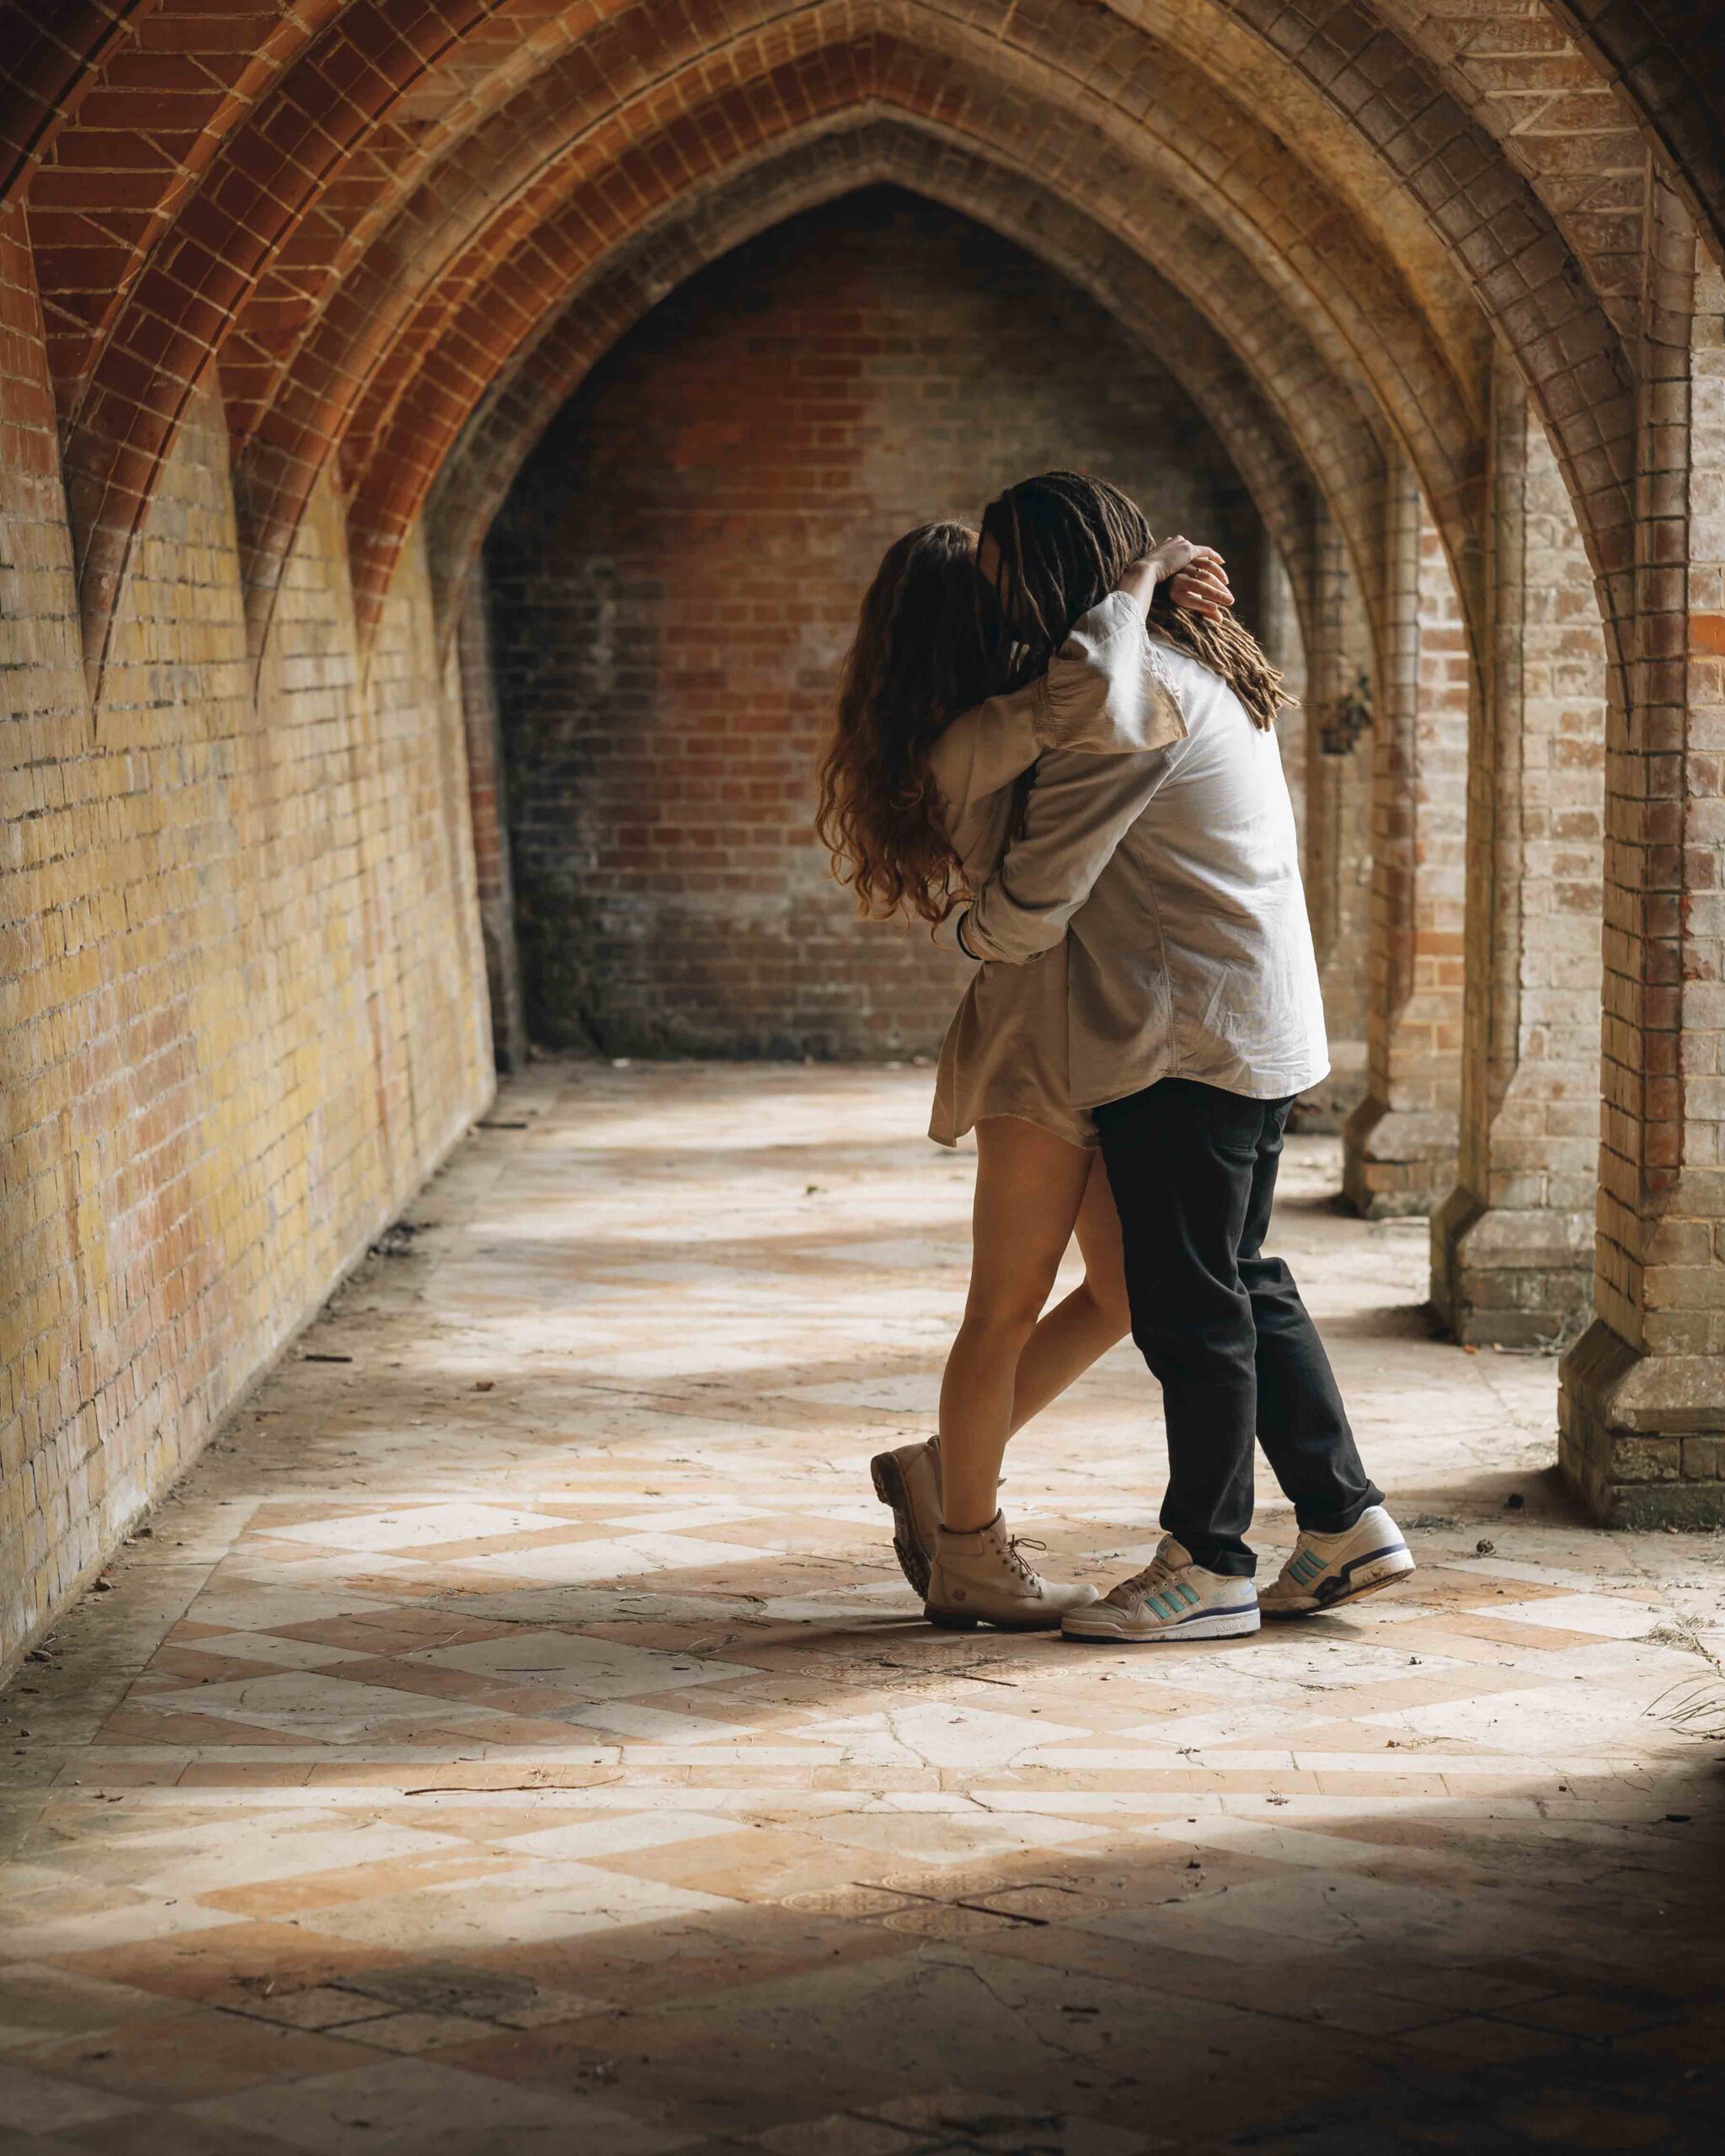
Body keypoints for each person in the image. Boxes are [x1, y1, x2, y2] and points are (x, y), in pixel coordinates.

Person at [949, 472, 1414, 1642]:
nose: (989, 590)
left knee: (1189, 1302)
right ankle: (1343, 1520)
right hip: (1245, 1022)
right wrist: (1143, 581)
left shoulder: (1135, 689)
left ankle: (1209, 1562)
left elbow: (1041, 896)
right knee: (1241, 1278)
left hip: (1183, 1033)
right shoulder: (1193, 667)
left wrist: (973, 929)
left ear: (1057, 573)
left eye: (1001, 565)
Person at [818, 520, 1232, 1629]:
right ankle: (968, 1550)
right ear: (971, 626)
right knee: (1001, 1305)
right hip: (1036, 1039)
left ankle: (935, 1469)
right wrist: (1142, 577)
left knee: (1127, 1292)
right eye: (999, 603)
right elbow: (1095, 680)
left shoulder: (969, 724)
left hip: (1084, 1028)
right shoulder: (1000, 721)